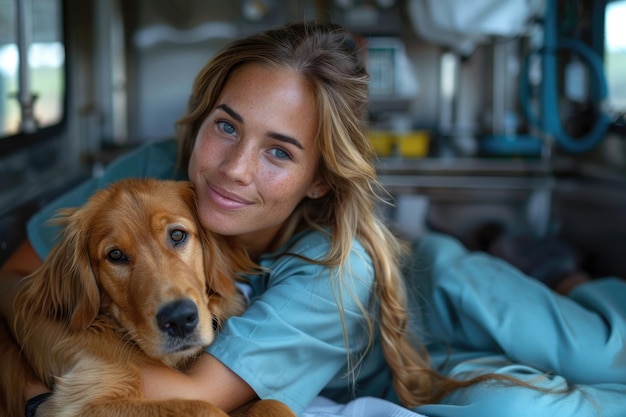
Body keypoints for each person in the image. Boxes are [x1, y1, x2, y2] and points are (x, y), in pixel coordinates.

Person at [1, 20, 625, 417]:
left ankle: (559, 274)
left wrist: (43, 390)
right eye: (227, 126)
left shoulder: (335, 272)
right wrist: (49, 366)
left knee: (604, 353)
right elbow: (18, 276)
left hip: (441, 286)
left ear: (319, 176)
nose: (233, 170)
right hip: (406, 360)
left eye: (279, 151)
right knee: (517, 409)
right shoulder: (155, 172)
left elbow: (187, 402)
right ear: (203, 118)